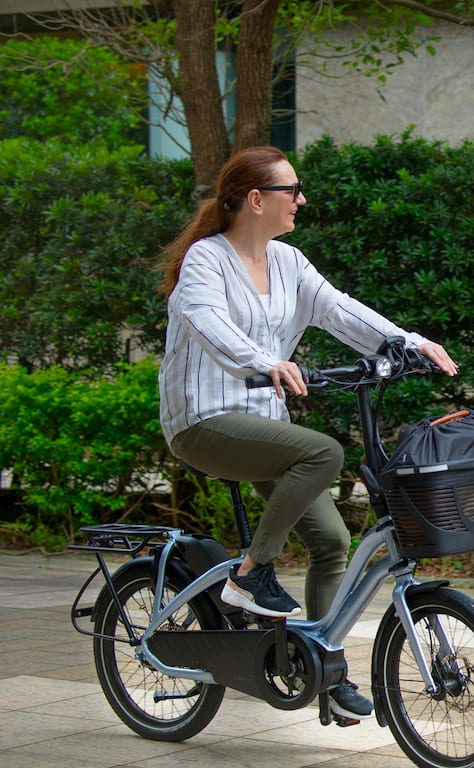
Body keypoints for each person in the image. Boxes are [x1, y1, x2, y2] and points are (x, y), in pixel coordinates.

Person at [156, 145, 458, 721]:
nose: (300, 200)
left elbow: (341, 311)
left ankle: (323, 664)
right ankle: (251, 575)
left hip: (262, 425)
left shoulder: (289, 263)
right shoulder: (205, 261)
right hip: (203, 420)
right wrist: (261, 360)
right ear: (255, 199)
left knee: (332, 543)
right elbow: (208, 322)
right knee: (322, 451)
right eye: (290, 190)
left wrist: (408, 343)